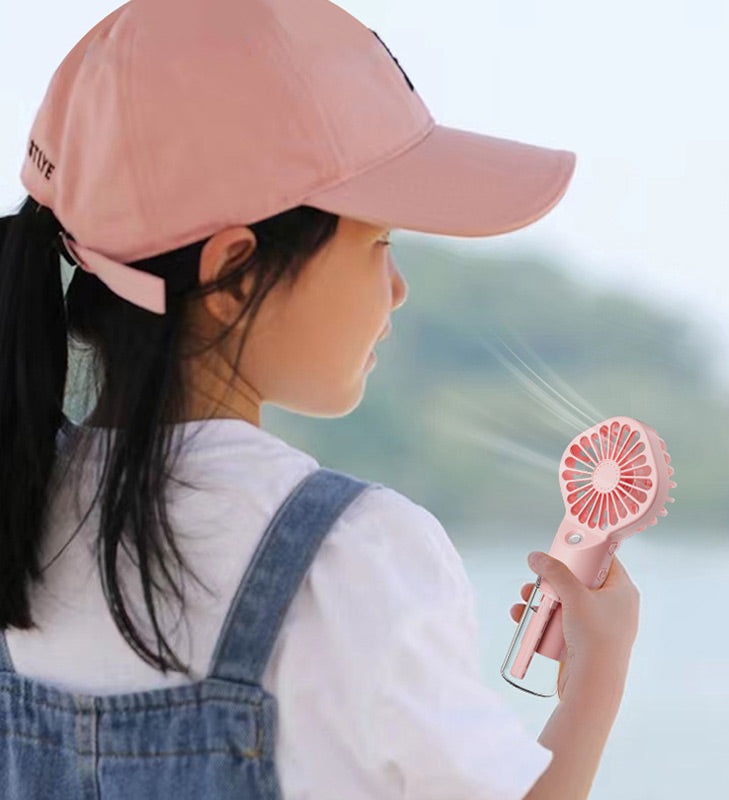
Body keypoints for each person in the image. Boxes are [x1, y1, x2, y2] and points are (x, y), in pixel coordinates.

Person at [0, 0, 640, 798]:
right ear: (231, 272)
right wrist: (598, 675)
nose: (399, 288)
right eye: (378, 243)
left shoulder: (23, 506)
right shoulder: (356, 554)